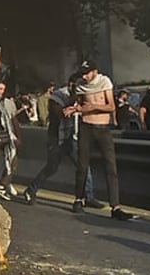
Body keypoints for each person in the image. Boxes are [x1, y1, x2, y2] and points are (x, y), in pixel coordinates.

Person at [20, 73, 104, 208]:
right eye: (77, 86)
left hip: (72, 139)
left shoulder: (81, 96)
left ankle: (89, 196)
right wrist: (74, 102)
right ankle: (31, 190)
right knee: (51, 168)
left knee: (84, 167)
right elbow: (60, 114)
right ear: (71, 84)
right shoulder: (57, 96)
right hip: (57, 139)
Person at [70, 60, 135, 220]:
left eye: (87, 73)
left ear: (95, 71)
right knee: (83, 165)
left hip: (102, 128)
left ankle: (116, 206)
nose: (84, 77)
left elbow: (110, 106)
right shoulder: (80, 86)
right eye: (82, 73)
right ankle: (78, 199)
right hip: (86, 127)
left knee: (110, 166)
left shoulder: (104, 82)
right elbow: (79, 105)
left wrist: (90, 107)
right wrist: (74, 108)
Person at [0, 80, 23, 200]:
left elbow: (12, 120)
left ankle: (2, 186)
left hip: (7, 136)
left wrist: (16, 135)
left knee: (12, 161)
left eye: (3, 89)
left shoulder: (5, 103)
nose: (1, 92)